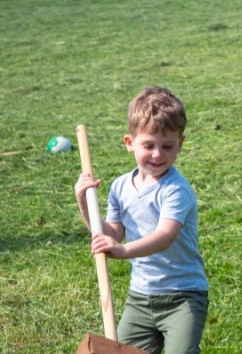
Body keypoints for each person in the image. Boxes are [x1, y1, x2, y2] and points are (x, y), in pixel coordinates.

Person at [74, 86, 208, 354]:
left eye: (167, 146)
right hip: (140, 298)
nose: (158, 155)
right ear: (129, 143)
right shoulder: (120, 187)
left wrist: (123, 251)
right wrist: (84, 204)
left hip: (183, 296)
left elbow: (165, 236)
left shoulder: (175, 189)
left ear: (180, 144)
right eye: (148, 145)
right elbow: (110, 235)